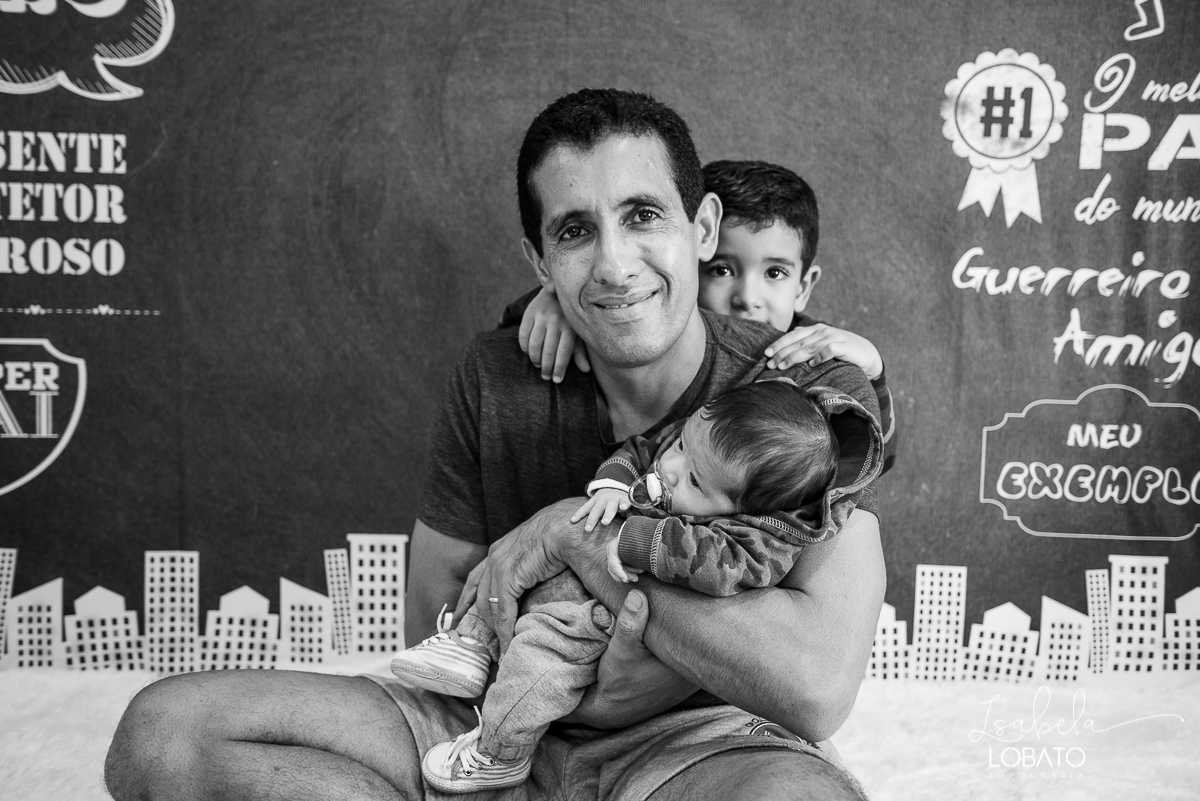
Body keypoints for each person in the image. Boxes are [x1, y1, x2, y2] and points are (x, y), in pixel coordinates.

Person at [104, 88, 886, 801]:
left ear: (702, 227)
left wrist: (574, 536)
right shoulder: (496, 374)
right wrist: (557, 688)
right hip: (487, 718)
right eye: (575, 231)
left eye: (643, 215)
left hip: (697, 740)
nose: (615, 264)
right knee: (163, 734)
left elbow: (814, 686)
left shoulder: (803, 396)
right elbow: (432, 620)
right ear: (540, 260)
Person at [389, 379, 878, 793]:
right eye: (682, 446)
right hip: (578, 580)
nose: (670, 469)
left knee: (540, 654)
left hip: (608, 621)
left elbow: (720, 565)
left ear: (744, 510)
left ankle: (500, 750)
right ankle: (469, 645)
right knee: (511, 573)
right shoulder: (698, 446)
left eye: (694, 482)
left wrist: (629, 539)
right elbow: (642, 450)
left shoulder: (754, 537)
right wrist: (612, 485)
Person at [507, 159, 898, 473]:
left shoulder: (808, 354)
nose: (747, 298)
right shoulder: (643, 330)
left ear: (803, 287)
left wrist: (874, 374)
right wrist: (549, 299)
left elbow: (875, 457)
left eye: (775, 273)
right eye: (722, 270)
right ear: (693, 252)